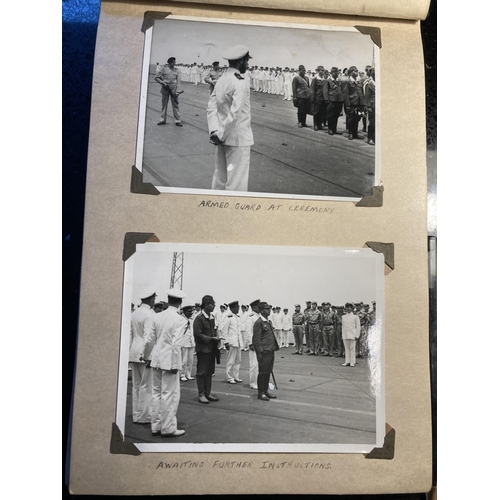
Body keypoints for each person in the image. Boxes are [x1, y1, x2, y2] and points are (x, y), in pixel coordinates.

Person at [207, 44, 253, 192]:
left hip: (221, 136)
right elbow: (235, 113)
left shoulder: (221, 79)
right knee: (236, 183)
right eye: (247, 61)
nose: (247, 64)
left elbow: (211, 107)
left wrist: (215, 131)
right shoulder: (239, 81)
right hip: (237, 139)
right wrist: (220, 135)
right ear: (240, 62)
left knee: (220, 178)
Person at [145, 288, 187, 437]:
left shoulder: (157, 316)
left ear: (168, 301)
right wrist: (176, 364)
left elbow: (150, 340)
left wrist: (147, 357)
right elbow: (176, 343)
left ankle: (155, 426)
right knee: (170, 393)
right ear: (180, 302)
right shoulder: (180, 319)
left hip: (156, 358)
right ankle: (168, 428)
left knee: (156, 393)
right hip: (169, 360)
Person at [129, 287, 156, 424]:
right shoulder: (150, 314)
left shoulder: (134, 313)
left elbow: (130, 335)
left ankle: (136, 415)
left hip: (134, 351)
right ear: (151, 299)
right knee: (146, 385)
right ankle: (144, 416)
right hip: (145, 353)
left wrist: (130, 353)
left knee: (136, 385)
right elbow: (149, 338)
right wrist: (147, 355)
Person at [193, 295, 223, 404]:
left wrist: (216, 338)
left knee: (209, 372)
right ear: (206, 305)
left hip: (211, 349)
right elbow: (197, 334)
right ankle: (201, 394)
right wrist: (211, 339)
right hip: (203, 349)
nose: (214, 305)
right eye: (212, 303)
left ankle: (207, 393)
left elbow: (212, 331)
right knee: (201, 372)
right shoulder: (199, 318)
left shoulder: (211, 317)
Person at [252, 302, 279, 401]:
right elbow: (256, 339)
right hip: (264, 352)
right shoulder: (259, 322)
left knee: (268, 372)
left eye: (269, 309)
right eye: (267, 309)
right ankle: (261, 392)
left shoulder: (268, 322)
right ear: (261, 311)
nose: (269, 310)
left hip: (270, 350)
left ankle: (266, 390)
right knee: (262, 372)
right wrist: (259, 353)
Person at [155, 56, 183, 127]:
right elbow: (156, 77)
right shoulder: (164, 69)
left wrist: (178, 91)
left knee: (175, 105)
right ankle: (162, 120)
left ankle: (178, 120)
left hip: (174, 88)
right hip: (165, 88)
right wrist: (162, 83)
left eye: (175, 62)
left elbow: (179, 81)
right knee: (164, 105)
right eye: (173, 62)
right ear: (169, 62)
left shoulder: (176, 70)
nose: (174, 63)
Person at [221, 300, 243, 384]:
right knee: (231, 360)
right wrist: (226, 342)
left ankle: (236, 376)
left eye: (238, 307)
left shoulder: (237, 317)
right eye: (237, 307)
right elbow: (224, 330)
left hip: (238, 342)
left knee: (238, 360)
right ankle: (229, 377)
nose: (238, 309)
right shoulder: (228, 317)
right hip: (232, 342)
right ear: (232, 308)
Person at [343, 66, 364, 140]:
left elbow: (361, 93)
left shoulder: (358, 81)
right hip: (352, 103)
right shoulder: (348, 81)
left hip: (358, 103)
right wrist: (347, 105)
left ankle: (355, 133)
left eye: (357, 71)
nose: (357, 72)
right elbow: (346, 94)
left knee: (357, 118)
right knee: (351, 119)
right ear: (351, 72)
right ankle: (350, 133)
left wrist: (362, 103)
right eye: (355, 71)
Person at [323, 67, 344, 135]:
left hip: (338, 100)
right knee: (330, 116)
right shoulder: (328, 81)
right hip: (331, 101)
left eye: (337, 73)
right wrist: (327, 100)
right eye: (335, 73)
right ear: (331, 73)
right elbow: (325, 91)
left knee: (336, 115)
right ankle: (330, 129)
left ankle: (334, 129)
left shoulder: (339, 81)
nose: (336, 74)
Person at [245, 299, 261, 389]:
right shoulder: (250, 316)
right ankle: (253, 383)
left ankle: (258, 381)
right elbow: (248, 331)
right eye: (258, 306)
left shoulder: (259, 316)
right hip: (254, 344)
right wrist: (250, 343)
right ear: (254, 307)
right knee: (254, 364)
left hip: (260, 343)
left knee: (259, 364)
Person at [341, 302, 360, 367]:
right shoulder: (343, 316)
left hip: (352, 334)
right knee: (347, 348)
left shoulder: (355, 317)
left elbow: (358, 326)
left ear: (352, 308)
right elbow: (343, 327)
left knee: (352, 348)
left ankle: (352, 362)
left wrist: (357, 335)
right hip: (345, 334)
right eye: (347, 307)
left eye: (349, 307)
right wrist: (343, 335)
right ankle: (347, 361)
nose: (348, 309)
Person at [179, 304, 196, 382]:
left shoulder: (192, 320)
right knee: (184, 360)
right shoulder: (181, 320)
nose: (191, 313)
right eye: (189, 312)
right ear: (184, 312)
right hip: (184, 342)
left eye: (191, 311)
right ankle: (182, 374)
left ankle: (188, 374)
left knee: (190, 360)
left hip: (191, 342)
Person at [364, 67, 376, 145]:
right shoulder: (369, 83)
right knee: (372, 122)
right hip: (372, 105)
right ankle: (370, 138)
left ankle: (375, 137)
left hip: (379, 104)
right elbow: (367, 96)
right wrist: (368, 106)